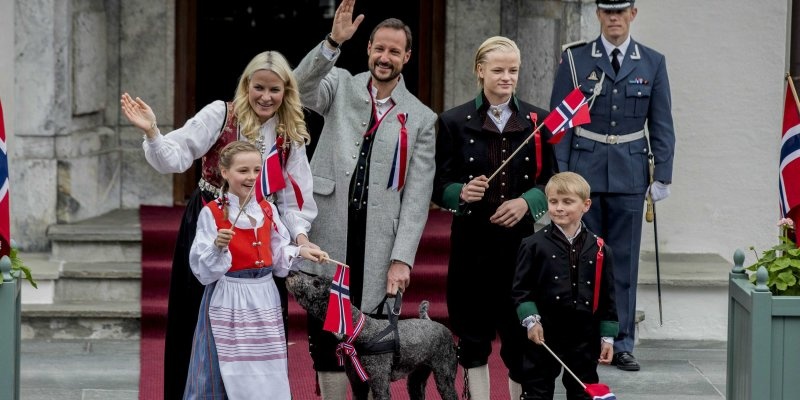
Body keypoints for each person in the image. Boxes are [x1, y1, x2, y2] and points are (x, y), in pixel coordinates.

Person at [120, 50, 318, 399]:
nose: (266, 97)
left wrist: (300, 239)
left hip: (261, 230)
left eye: (275, 90)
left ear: (286, 91)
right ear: (246, 85)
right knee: (195, 316)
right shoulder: (220, 114)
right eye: (259, 87)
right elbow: (175, 157)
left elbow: (293, 197)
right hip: (211, 222)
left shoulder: (290, 132)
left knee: (260, 330)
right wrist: (153, 131)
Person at [293, 0, 437, 397]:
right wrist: (332, 42)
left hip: (378, 242)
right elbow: (299, 87)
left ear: (406, 56)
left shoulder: (421, 118)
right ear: (368, 48)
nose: (385, 57)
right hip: (330, 228)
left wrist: (402, 258)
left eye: (394, 51)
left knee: (368, 338)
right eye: (379, 48)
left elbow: (417, 196)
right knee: (326, 332)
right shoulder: (339, 84)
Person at [549, 0, 675, 371]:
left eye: (621, 11)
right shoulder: (577, 60)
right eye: (608, 12)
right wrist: (563, 177)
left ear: (633, 14)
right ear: (599, 15)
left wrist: (663, 174)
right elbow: (560, 123)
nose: (614, 18)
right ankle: (585, 339)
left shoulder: (652, 61)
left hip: (631, 174)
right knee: (581, 259)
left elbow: (662, 123)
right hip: (583, 172)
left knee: (622, 263)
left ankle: (619, 342)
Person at [432, 36, 557, 399]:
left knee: (520, 337)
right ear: (479, 70)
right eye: (499, 69)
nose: (507, 77)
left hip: (521, 249)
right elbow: (439, 183)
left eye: (513, 70)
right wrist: (460, 193)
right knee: (472, 336)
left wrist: (527, 203)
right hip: (472, 246)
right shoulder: (453, 121)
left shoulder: (538, 120)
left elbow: (551, 179)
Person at [184, 141, 328, 399]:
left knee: (266, 372)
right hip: (229, 299)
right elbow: (202, 269)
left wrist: (301, 251)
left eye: (256, 170)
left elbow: (278, 252)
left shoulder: (267, 209)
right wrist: (218, 247)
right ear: (225, 173)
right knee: (226, 371)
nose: (251, 177)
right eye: (243, 171)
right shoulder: (212, 214)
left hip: (264, 297)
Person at [512, 171, 618, 400]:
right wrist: (532, 322)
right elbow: (521, 290)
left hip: (584, 338)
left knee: (582, 391)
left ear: (586, 205)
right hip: (544, 335)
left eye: (567, 202)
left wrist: (607, 338)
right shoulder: (532, 245)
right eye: (553, 201)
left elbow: (608, 297)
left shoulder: (600, 249)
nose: (559, 207)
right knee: (537, 390)